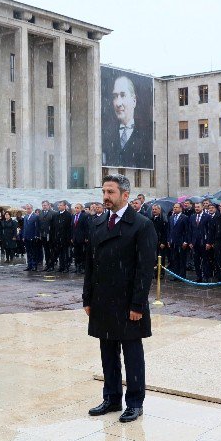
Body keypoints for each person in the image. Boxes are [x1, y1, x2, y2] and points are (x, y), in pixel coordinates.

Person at [83, 173, 157, 424]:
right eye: (104, 191)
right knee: (107, 352)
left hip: (128, 303)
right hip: (103, 301)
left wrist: (138, 304)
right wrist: (87, 298)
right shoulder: (97, 223)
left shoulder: (141, 225)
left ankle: (135, 402)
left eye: (111, 192)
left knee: (132, 354)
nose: (105, 197)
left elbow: (144, 269)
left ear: (125, 195)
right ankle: (112, 398)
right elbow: (90, 264)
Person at [102, 75, 152, 169]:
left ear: (134, 101)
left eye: (123, 95)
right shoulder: (106, 135)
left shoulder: (146, 135)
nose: (118, 103)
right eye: (115, 96)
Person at [187, 202, 213, 282]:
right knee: (196, 260)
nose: (196, 208)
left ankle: (206, 276)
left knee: (205, 260)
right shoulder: (192, 217)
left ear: (202, 207)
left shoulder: (208, 217)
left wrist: (209, 242)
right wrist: (190, 242)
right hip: (195, 243)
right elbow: (190, 230)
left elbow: (210, 231)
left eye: (198, 207)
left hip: (204, 242)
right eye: (195, 207)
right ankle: (198, 276)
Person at [167, 202, 189, 278]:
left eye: (176, 207)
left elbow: (187, 231)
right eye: (174, 207)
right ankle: (175, 275)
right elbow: (169, 230)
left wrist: (185, 241)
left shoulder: (185, 217)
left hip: (181, 242)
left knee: (182, 259)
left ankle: (182, 275)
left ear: (180, 208)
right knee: (174, 259)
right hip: (173, 242)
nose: (175, 208)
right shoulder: (171, 217)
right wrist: (169, 240)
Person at [53, 200, 73, 273]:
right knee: (60, 253)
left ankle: (66, 267)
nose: (59, 206)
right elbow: (54, 226)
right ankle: (61, 267)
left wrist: (69, 237)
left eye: (61, 205)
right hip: (58, 237)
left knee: (66, 253)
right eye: (58, 205)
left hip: (65, 237)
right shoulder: (56, 214)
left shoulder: (68, 215)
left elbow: (70, 227)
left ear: (64, 206)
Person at [21, 204, 41, 271]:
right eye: (26, 208)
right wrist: (23, 236)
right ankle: (29, 265)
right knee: (28, 252)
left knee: (34, 252)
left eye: (29, 208)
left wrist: (36, 236)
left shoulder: (35, 216)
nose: (27, 210)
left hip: (33, 237)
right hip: (26, 237)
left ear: (32, 208)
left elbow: (37, 228)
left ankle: (34, 265)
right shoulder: (26, 216)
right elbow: (24, 227)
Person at [72, 203, 91, 274]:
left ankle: (82, 267)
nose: (76, 209)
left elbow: (86, 227)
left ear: (81, 209)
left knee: (82, 253)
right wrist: (72, 237)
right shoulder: (73, 216)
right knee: (76, 253)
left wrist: (86, 237)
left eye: (78, 208)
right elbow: (72, 228)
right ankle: (77, 266)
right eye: (75, 208)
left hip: (82, 238)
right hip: (75, 238)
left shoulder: (84, 216)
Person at [39, 200, 57, 271]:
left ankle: (52, 265)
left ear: (49, 205)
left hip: (51, 235)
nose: (44, 206)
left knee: (51, 250)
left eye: (45, 205)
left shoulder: (53, 213)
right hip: (43, 235)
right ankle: (47, 264)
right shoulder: (40, 213)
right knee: (46, 250)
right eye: (43, 205)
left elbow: (55, 226)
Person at [150, 203, 168, 269]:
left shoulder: (163, 220)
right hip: (153, 241)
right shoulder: (151, 219)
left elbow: (165, 232)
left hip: (160, 242)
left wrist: (163, 242)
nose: (154, 210)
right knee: (153, 257)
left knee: (161, 258)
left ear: (159, 210)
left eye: (155, 209)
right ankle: (154, 272)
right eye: (153, 209)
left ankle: (161, 273)